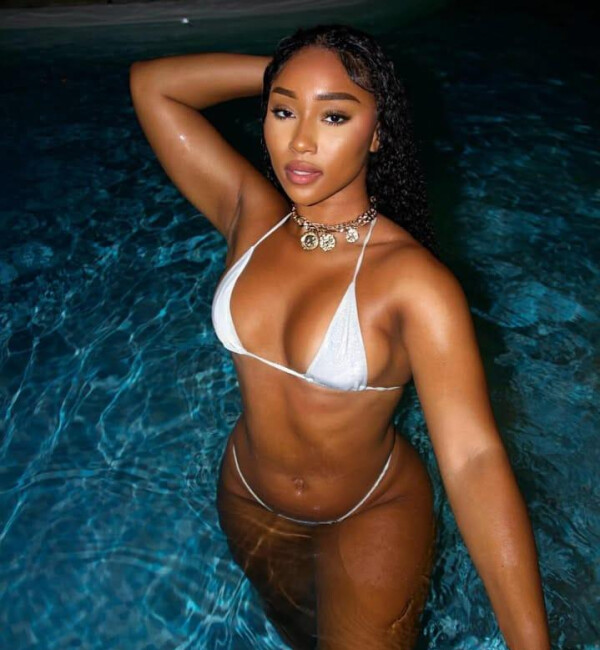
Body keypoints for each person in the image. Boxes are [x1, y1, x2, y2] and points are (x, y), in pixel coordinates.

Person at [129, 23, 550, 650]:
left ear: (377, 131)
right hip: (248, 498)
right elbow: (153, 85)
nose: (300, 141)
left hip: (370, 511)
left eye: (334, 116)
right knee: (300, 637)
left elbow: (473, 459)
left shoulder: (413, 283)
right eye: (283, 111)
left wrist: (530, 643)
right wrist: (292, 73)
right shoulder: (252, 216)